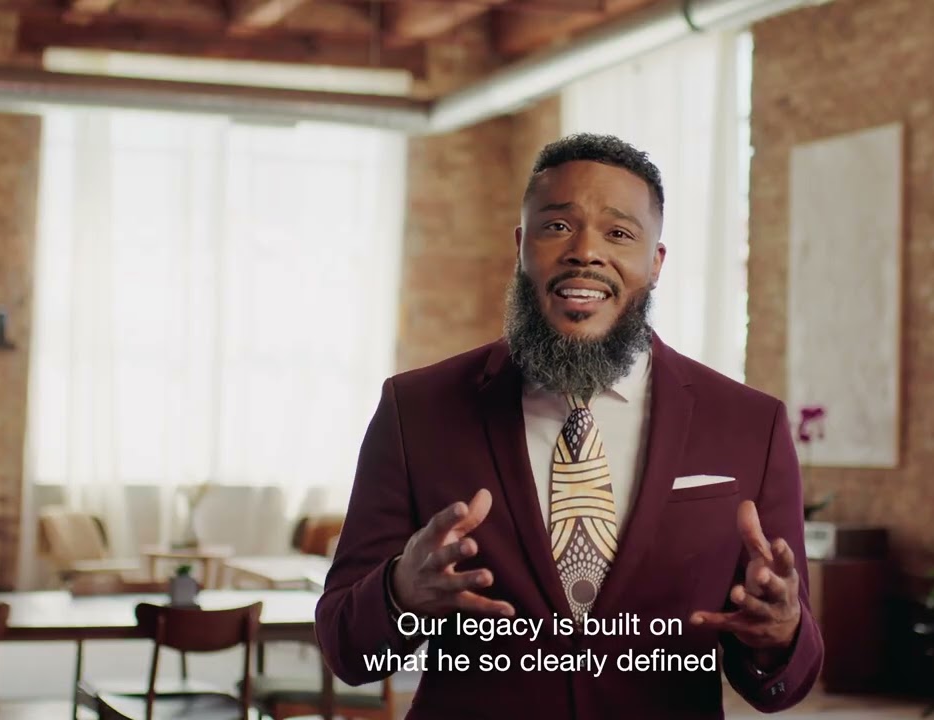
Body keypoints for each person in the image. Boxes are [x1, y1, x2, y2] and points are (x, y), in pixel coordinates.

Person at [316, 133, 823, 719]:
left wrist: (780, 634)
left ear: (656, 263)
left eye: (619, 233)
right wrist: (401, 591)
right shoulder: (416, 410)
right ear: (521, 247)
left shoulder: (751, 425)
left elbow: (787, 677)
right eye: (557, 226)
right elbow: (348, 651)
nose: (585, 252)